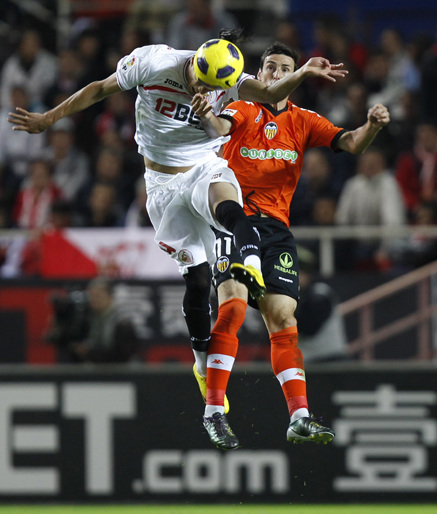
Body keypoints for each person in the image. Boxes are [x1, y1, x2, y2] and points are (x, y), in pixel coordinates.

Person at [8, 33, 346, 425]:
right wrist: (49, 118)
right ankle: (203, 364)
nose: (205, 90)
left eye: (216, 87)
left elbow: (272, 91)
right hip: (162, 185)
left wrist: (304, 72)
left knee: (232, 209)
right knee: (198, 280)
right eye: (201, 81)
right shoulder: (153, 63)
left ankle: (249, 262)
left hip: (204, 166)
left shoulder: (232, 82)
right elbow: (99, 89)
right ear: (194, 63)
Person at [191, 41, 389, 449]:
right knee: (232, 305)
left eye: (284, 68)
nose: (276, 74)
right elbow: (222, 127)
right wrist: (209, 115)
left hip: (277, 231)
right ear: (259, 74)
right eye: (269, 67)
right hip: (236, 219)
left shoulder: (304, 121)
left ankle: (299, 417)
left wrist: (373, 125)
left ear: (294, 78)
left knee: (283, 319)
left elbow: (351, 144)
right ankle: (213, 410)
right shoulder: (244, 107)